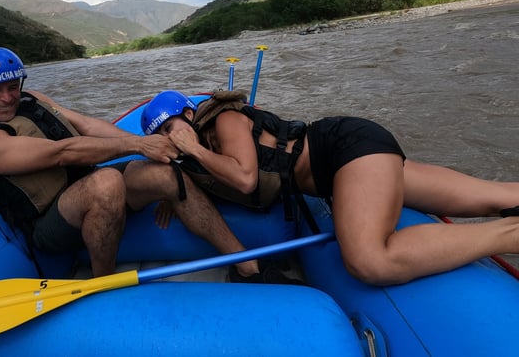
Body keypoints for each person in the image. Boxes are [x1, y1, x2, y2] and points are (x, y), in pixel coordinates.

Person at [0, 47, 278, 281]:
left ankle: (246, 264)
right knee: (106, 182)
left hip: (86, 187)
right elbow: (61, 152)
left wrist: (149, 149)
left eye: (12, 87)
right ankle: (104, 281)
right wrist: (137, 143)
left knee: (164, 174)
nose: (7, 97)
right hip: (49, 225)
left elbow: (87, 125)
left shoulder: (33, 101)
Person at [141, 89, 519, 286]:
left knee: (370, 261)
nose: (171, 137)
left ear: (190, 114)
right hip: (349, 160)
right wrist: (176, 187)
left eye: (172, 127)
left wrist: (192, 150)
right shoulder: (198, 157)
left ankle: (509, 235)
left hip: (344, 150)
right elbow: (211, 180)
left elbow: (244, 177)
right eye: (162, 135)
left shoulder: (225, 120)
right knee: (498, 196)